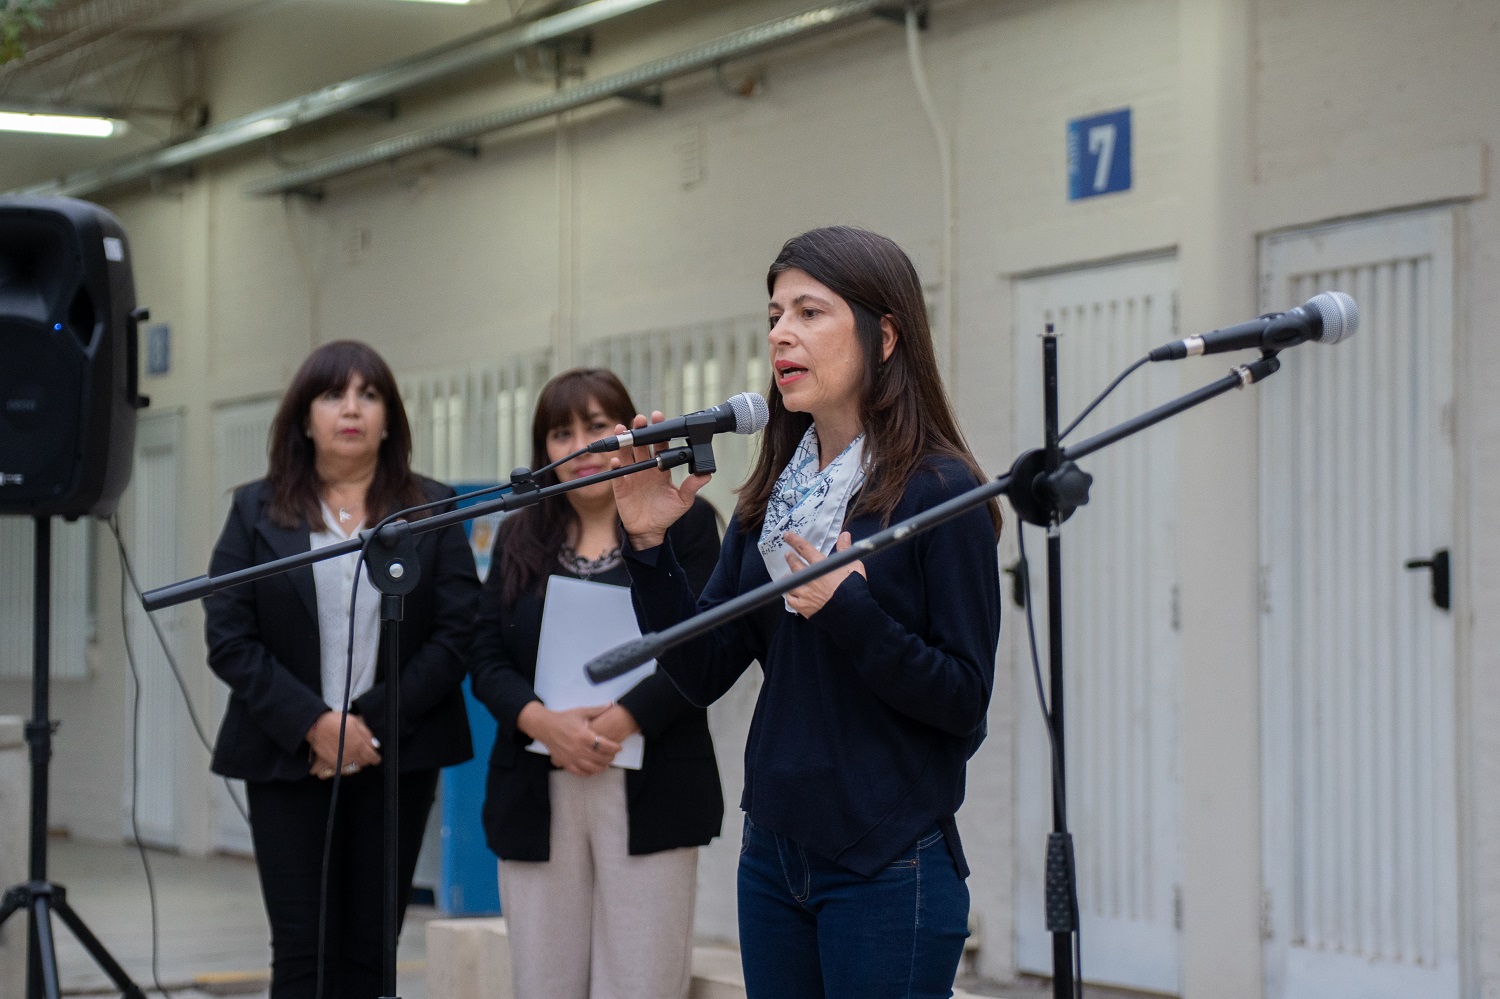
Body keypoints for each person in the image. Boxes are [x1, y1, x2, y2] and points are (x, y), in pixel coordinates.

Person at [611, 226, 1002, 999]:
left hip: (887, 862)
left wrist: (847, 606)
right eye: (774, 315)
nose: (782, 333)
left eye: (810, 312)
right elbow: (697, 671)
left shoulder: (939, 492)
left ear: (884, 334)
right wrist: (650, 546)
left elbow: (963, 701)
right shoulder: (772, 500)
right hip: (773, 856)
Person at [204, 340, 479, 999]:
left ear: (390, 418)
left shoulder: (431, 508)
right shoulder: (254, 509)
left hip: (395, 755)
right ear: (304, 417)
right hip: (285, 752)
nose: (351, 408)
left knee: (371, 949)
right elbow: (229, 634)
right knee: (300, 951)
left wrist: (365, 724)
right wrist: (314, 724)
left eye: (369, 393)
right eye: (333, 394)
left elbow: (457, 630)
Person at [470, 368, 724, 999]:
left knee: (642, 980)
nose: (578, 445)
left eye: (594, 427)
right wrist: (541, 722)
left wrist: (621, 719)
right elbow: (484, 654)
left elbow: (704, 643)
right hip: (538, 778)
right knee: (543, 981)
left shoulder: (687, 522)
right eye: (561, 433)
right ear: (544, 450)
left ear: (627, 435)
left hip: (654, 778)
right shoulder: (518, 533)